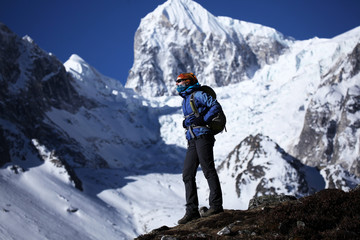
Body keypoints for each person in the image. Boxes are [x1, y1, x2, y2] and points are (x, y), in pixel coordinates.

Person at [176, 72, 224, 225]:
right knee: (187, 174)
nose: (177, 84)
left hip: (203, 135)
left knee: (208, 169)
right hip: (192, 139)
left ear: (188, 82)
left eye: (180, 81)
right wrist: (187, 123)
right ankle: (192, 211)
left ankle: (216, 206)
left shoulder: (198, 94)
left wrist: (202, 119)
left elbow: (215, 106)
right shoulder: (185, 99)